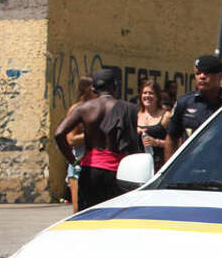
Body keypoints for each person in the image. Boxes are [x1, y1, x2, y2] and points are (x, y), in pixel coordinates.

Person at [54, 69, 141, 211]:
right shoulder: (128, 108)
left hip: (90, 171)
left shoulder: (83, 108)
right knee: (116, 216)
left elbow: (59, 134)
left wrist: (73, 161)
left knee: (89, 216)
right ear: (115, 86)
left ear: (93, 89)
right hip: (117, 171)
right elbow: (133, 145)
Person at [165, 54, 222, 161]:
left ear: (220, 75)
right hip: (191, 166)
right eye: (198, 73)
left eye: (207, 73)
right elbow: (171, 138)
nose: (201, 77)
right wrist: (170, 168)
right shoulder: (185, 103)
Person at [64, 75, 96, 212]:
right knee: (78, 210)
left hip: (96, 163)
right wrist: (91, 134)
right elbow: (71, 139)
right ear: (88, 90)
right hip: (79, 163)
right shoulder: (77, 109)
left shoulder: (97, 107)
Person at [136, 79, 171, 171]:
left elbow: (177, 142)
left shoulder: (166, 116)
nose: (147, 96)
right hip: (138, 165)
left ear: (157, 96)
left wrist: (156, 142)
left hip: (158, 165)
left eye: (151, 93)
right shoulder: (135, 115)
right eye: (144, 93)